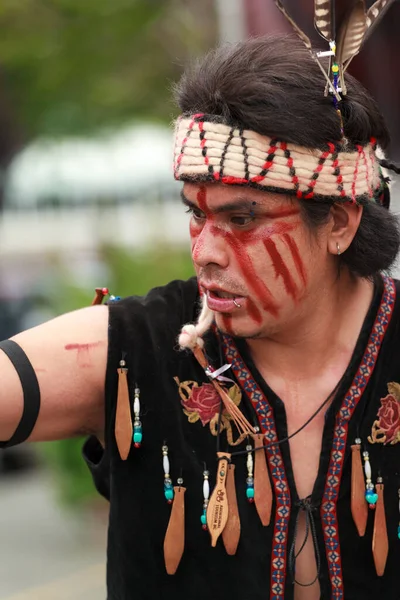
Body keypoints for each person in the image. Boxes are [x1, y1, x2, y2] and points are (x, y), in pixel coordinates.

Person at [2, 32, 400, 600]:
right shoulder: (132, 349)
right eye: (195, 215)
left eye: (241, 220)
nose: (206, 251)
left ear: (338, 222)